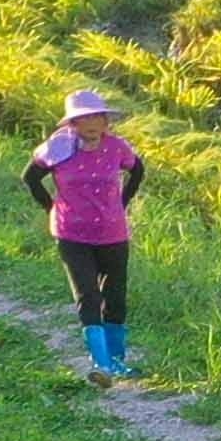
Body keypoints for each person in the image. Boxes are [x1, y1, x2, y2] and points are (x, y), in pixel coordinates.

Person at [20, 86, 143, 383]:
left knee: (115, 297)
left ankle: (117, 361)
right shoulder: (58, 148)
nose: (91, 124)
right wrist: (52, 208)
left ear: (105, 122)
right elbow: (30, 178)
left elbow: (137, 170)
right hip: (72, 234)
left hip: (113, 233)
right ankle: (100, 365)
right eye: (83, 119)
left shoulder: (117, 148)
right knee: (88, 294)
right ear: (72, 124)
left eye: (97, 117)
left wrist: (121, 203)